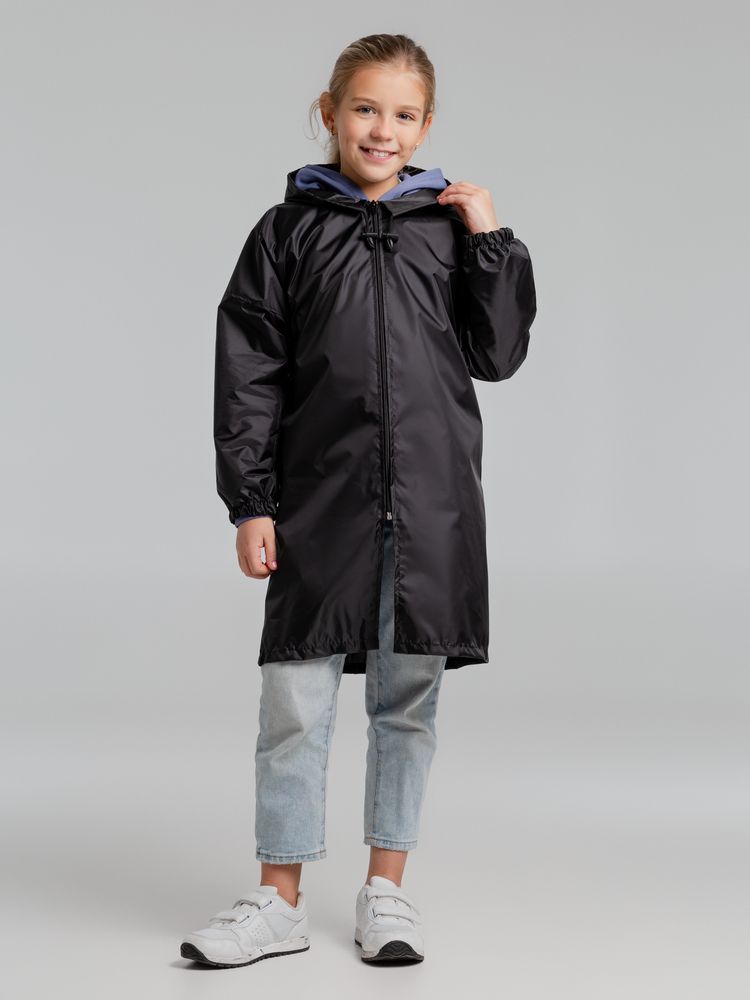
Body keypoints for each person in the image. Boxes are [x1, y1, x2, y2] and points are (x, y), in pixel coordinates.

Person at [180, 32, 537, 969]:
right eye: (367, 109)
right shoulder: (286, 232)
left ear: (426, 125)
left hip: (431, 503)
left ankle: (387, 891)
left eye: (404, 115)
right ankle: (278, 900)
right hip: (319, 501)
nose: (384, 129)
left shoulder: (448, 230)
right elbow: (248, 373)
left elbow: (499, 354)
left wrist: (490, 239)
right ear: (330, 113)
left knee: (406, 701)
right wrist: (251, 502)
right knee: (294, 704)